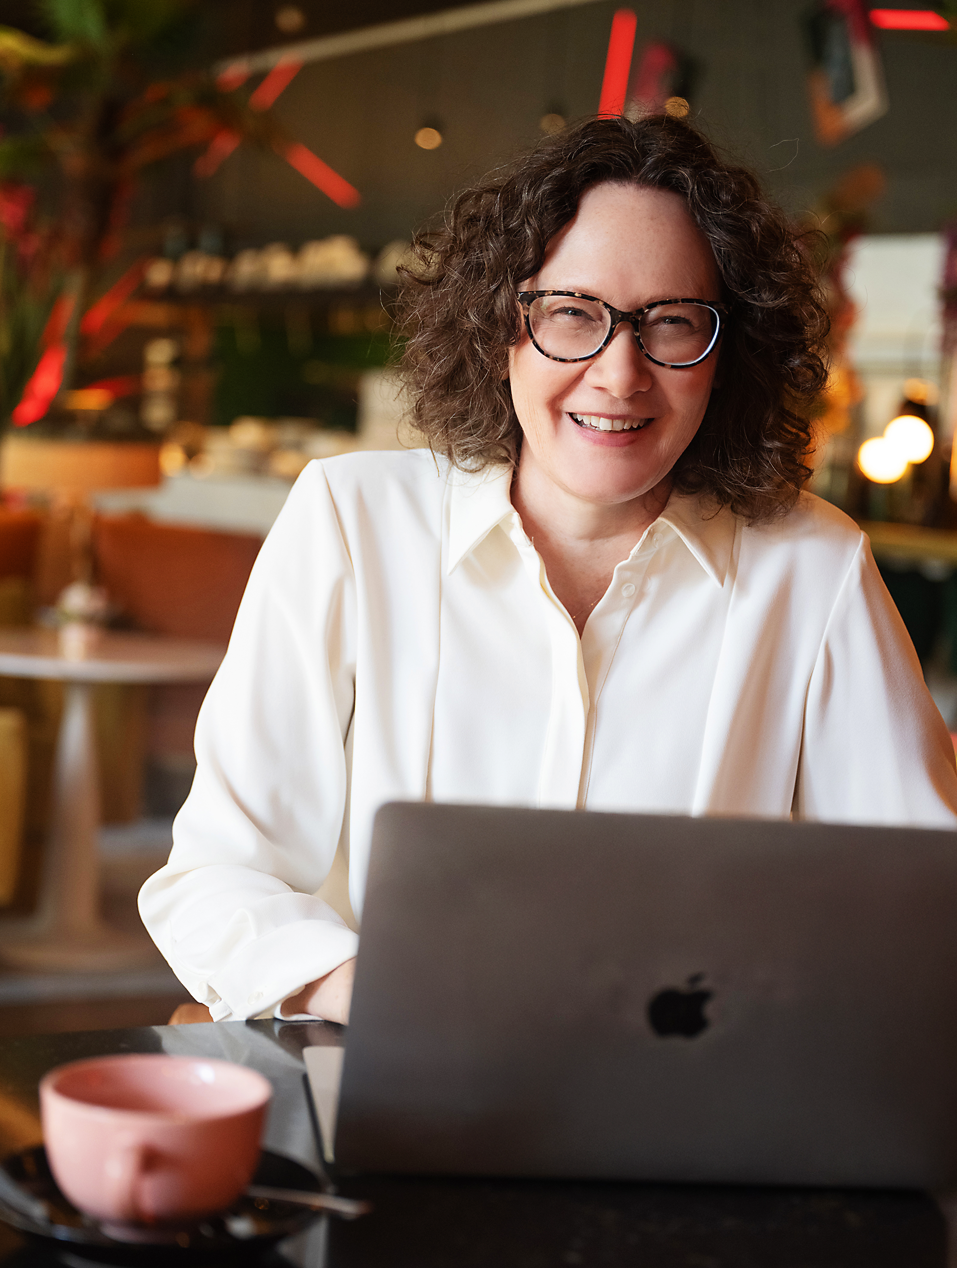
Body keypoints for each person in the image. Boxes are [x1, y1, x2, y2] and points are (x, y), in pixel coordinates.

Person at [142, 113, 957, 1028]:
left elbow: (920, 904)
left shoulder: (816, 569)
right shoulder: (350, 521)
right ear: (502, 332)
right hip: (391, 1088)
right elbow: (214, 876)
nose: (619, 375)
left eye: (672, 323)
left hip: (688, 1118)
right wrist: (363, 992)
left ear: (725, 359)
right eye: (573, 314)